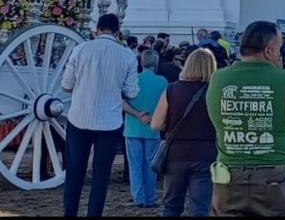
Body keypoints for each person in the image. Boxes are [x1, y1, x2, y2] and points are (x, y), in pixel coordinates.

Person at [206, 20, 285, 216]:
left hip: (229, 175)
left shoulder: (219, 78)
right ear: (269, 51)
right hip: (274, 175)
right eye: (280, 49)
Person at [62, 12, 140, 218]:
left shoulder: (80, 49)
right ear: (117, 32)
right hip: (109, 122)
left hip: (80, 118)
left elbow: (66, 85)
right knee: (101, 175)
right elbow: (132, 92)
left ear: (97, 29)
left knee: (74, 171)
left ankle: (69, 213)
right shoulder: (127, 55)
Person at [151, 47, 218, 217]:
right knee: (200, 209)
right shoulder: (215, 92)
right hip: (205, 154)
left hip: (176, 154)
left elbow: (156, 124)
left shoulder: (172, 89)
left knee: (171, 207)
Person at [123, 48, 167, 209]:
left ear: (141, 62)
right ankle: (150, 197)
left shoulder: (134, 80)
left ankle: (138, 197)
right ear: (156, 64)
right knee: (150, 166)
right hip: (152, 128)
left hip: (133, 128)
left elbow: (123, 103)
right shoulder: (162, 81)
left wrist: (137, 114)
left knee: (135, 165)